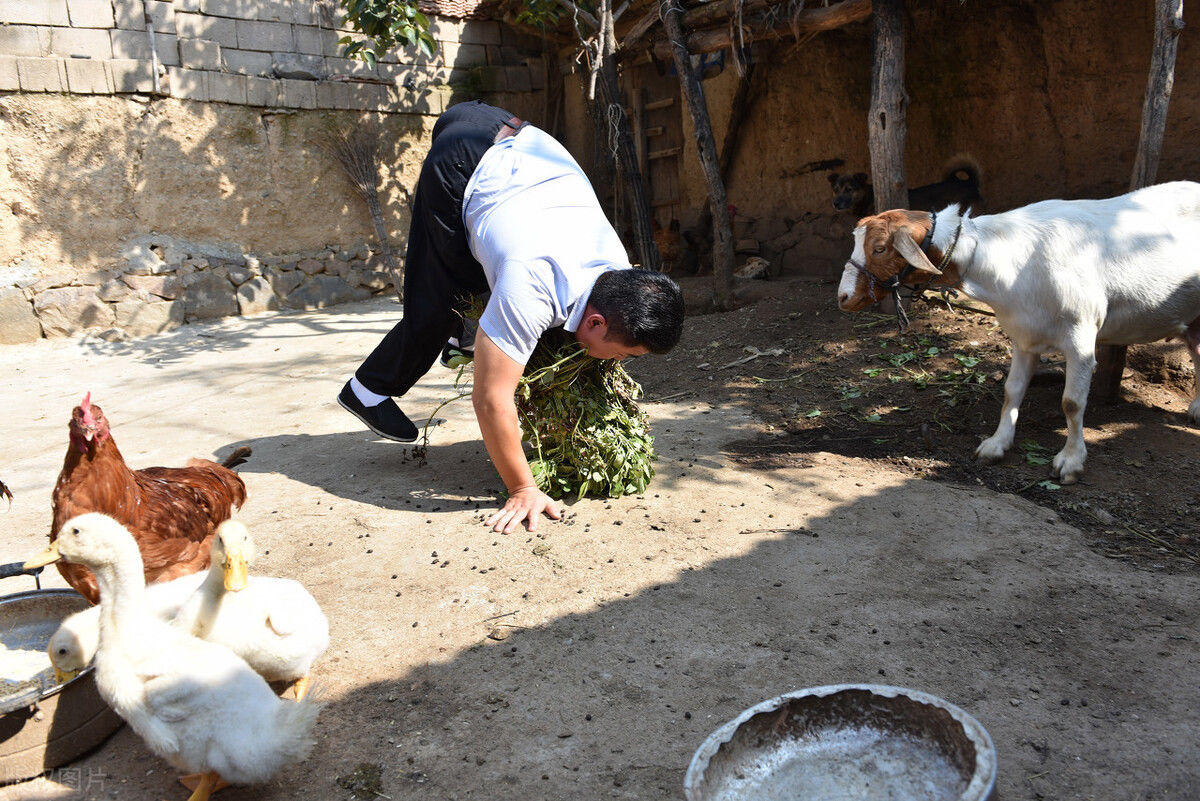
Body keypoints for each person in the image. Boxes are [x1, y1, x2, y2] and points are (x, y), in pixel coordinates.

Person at [338, 100, 685, 534]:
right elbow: (490, 400)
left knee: (475, 293)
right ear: (596, 323)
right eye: (624, 355)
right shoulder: (531, 287)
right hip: (462, 162)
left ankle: (463, 340)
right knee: (440, 301)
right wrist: (522, 488)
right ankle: (366, 390)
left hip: (502, 127)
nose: (617, 363)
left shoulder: (615, 264)